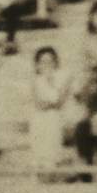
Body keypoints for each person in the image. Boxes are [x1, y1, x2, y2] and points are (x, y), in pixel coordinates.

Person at [30, 46, 71, 174]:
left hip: (56, 115)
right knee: (40, 120)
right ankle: (40, 166)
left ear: (55, 62)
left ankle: (52, 166)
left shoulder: (63, 78)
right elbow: (39, 104)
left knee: (53, 117)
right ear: (37, 65)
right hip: (40, 116)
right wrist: (50, 102)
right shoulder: (35, 80)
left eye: (50, 61)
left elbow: (60, 102)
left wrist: (50, 82)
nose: (47, 65)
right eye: (43, 62)